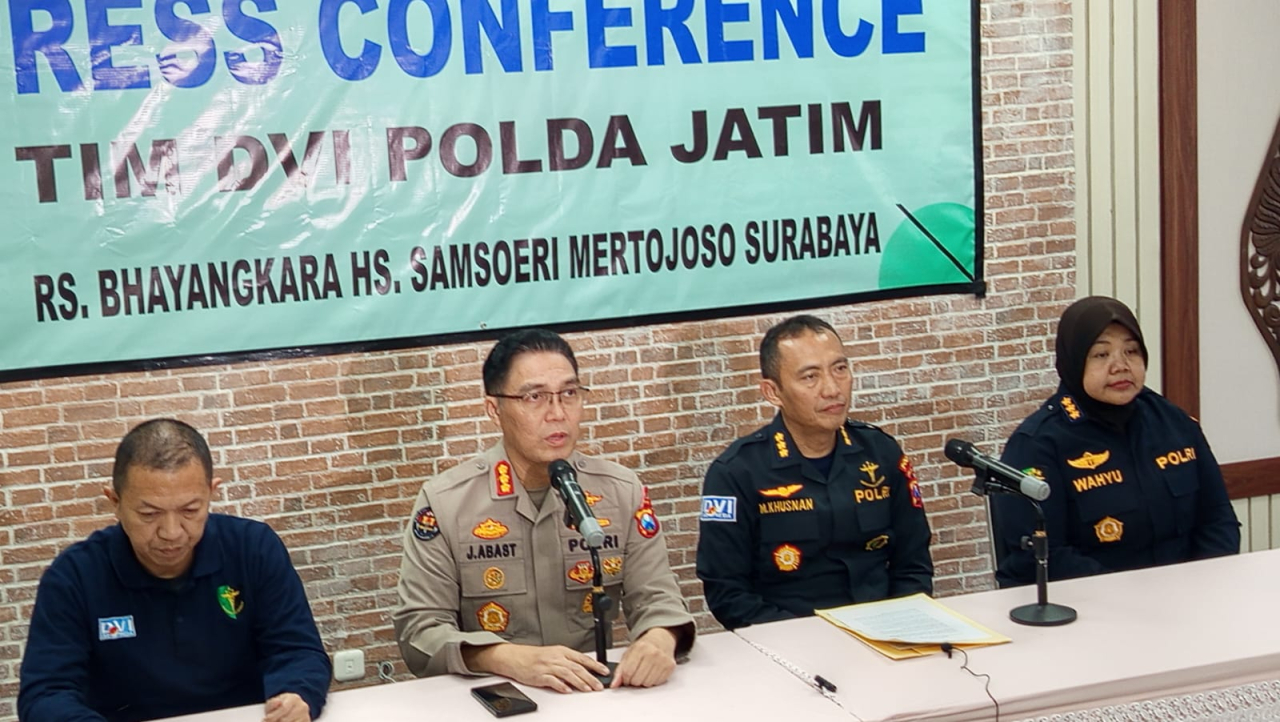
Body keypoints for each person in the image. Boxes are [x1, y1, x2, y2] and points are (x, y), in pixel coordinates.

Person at [393, 329, 695, 693]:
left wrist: (659, 639)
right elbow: (419, 630)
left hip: (594, 695)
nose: (557, 414)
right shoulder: (447, 501)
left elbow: (658, 596)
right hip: (498, 696)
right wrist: (504, 657)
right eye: (534, 397)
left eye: (569, 394)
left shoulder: (620, 490)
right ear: (494, 409)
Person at [17, 418, 331, 722]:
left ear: (211, 493)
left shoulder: (254, 549)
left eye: (189, 510)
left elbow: (298, 650)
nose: (171, 532)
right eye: (149, 514)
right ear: (115, 502)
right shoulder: (74, 577)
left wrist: (297, 694)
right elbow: (45, 694)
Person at [696, 314, 934, 630]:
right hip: (788, 640)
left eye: (840, 369)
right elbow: (728, 595)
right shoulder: (736, 473)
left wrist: (901, 627)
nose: (832, 389)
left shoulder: (881, 453)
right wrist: (809, 639)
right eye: (810, 377)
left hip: (887, 633)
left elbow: (913, 564)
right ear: (773, 392)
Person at [990, 296, 1241, 586]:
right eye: (1101, 355)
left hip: (1189, 595)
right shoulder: (1037, 445)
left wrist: (1202, 584)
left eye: (1131, 351)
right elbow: (1043, 558)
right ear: (1073, 361)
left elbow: (1218, 521)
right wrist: (1130, 596)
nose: (1120, 366)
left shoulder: (1173, 422)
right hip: (1089, 603)